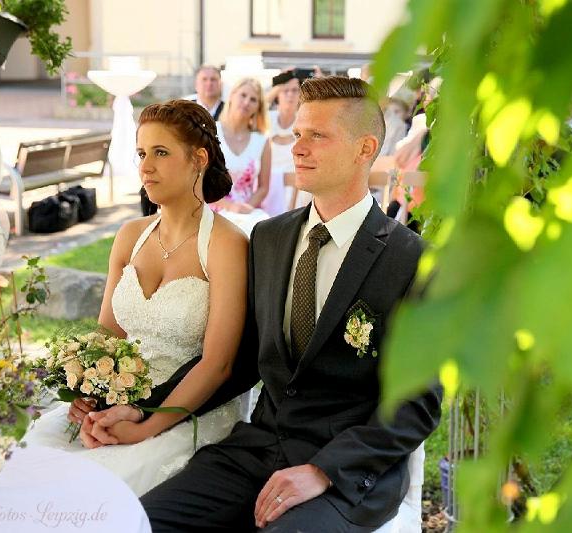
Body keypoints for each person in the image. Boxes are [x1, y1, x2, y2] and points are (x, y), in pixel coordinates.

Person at [93, 76, 441, 531]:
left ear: (364, 148)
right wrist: (145, 408)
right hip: (254, 451)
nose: (298, 148)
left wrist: (324, 471)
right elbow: (238, 362)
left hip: (346, 477)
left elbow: (417, 403)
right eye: (297, 134)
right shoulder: (270, 237)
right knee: (137, 523)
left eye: (317, 136)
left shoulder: (411, 259)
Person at [26, 100, 250, 497]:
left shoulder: (226, 245)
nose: (145, 166)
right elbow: (106, 338)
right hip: (122, 399)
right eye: (142, 153)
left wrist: (145, 425)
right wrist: (87, 397)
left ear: (199, 159)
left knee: (101, 486)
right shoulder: (130, 236)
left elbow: (219, 364)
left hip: (187, 409)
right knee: (35, 457)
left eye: (160, 153)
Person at [212, 77, 272, 235]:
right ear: (232, 96)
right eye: (243, 95)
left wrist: (246, 208)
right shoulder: (211, 133)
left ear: (258, 107)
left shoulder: (262, 141)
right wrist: (230, 207)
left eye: (253, 99)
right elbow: (199, 181)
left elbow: (263, 187)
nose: (246, 102)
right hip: (214, 208)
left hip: (248, 211)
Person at [262, 75, 301, 216]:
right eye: (286, 90)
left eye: (295, 90)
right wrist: (279, 85)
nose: (290, 94)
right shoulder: (267, 118)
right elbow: (255, 109)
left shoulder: (303, 120)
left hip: (297, 193)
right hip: (267, 189)